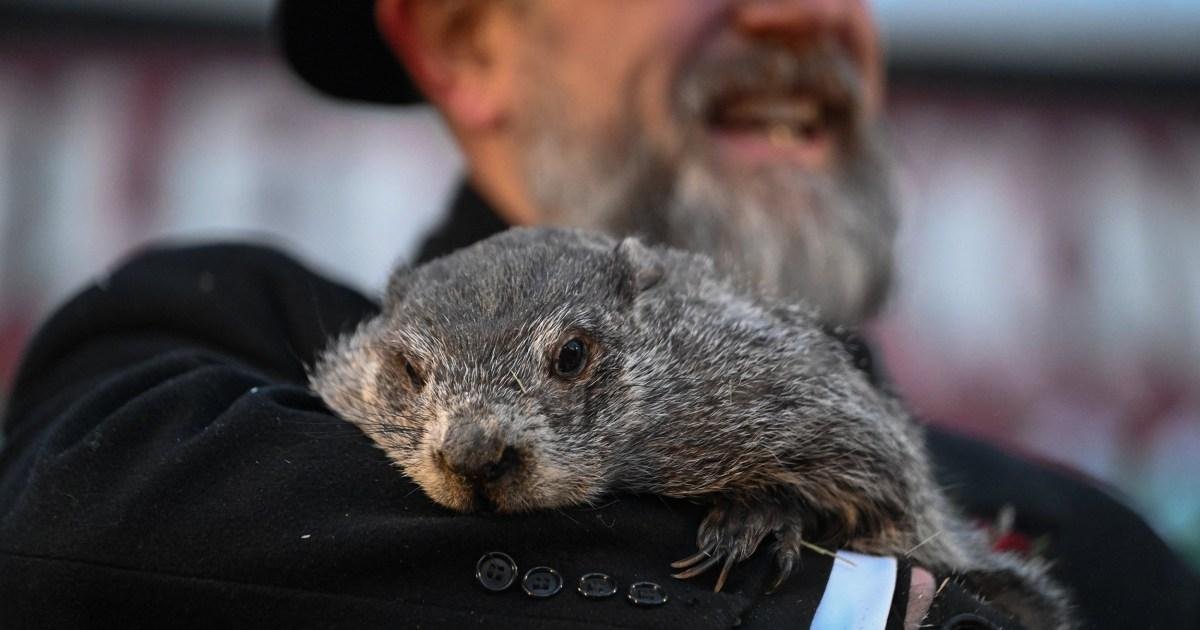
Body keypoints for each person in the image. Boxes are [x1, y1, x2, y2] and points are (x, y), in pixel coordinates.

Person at [0, 1, 1195, 628]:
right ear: (469, 37)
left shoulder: (1092, 550)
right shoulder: (212, 349)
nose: (803, 13)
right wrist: (846, 610)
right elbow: (83, 530)